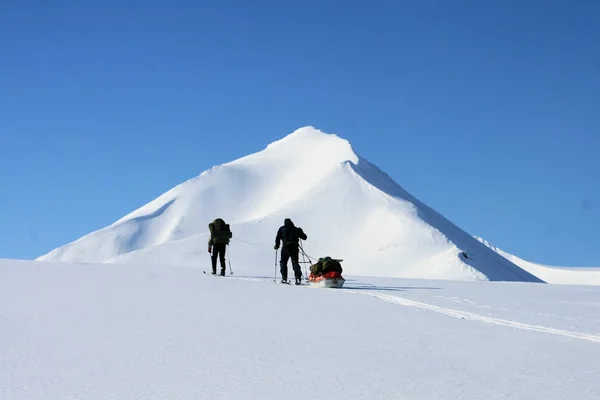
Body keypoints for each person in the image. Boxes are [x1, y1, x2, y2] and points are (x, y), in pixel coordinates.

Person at [274, 218, 307, 285]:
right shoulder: (296, 229)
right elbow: (304, 237)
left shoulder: (282, 229)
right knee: (295, 262)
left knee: (283, 262)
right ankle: (298, 278)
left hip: (285, 247)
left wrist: (277, 245)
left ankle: (284, 278)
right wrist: (301, 231)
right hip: (294, 247)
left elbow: (278, 238)